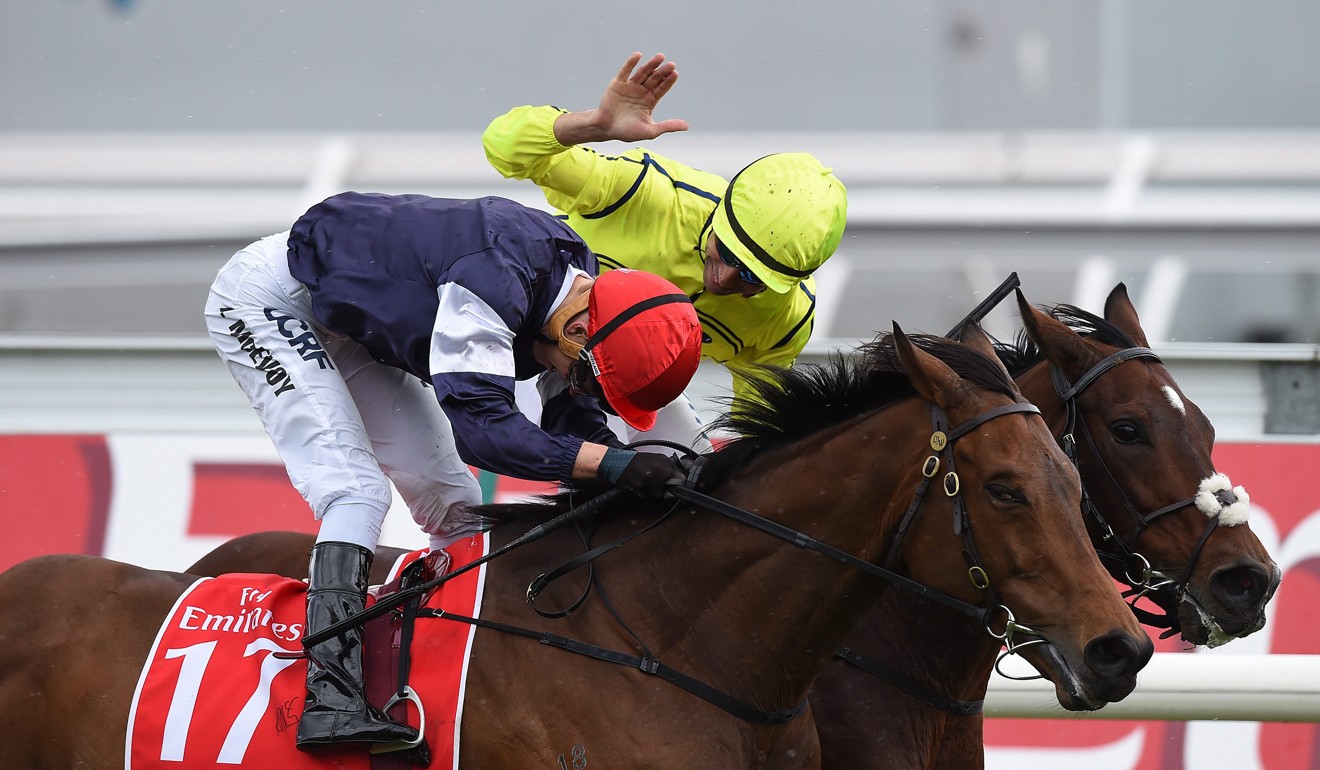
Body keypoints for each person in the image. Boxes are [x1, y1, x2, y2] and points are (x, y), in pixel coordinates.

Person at [203, 191, 702, 753]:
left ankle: (450, 671)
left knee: (456, 505)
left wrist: (630, 471)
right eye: (587, 377)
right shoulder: (494, 281)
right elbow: (483, 431)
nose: (579, 385)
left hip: (350, 317)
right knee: (357, 493)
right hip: (271, 300)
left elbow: (572, 421)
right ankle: (330, 695)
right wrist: (615, 464)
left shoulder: (583, 298)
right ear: (580, 331)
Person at [483, 51, 848, 451]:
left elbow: (756, 432)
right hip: (517, 342)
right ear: (719, 212)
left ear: (788, 285)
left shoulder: (785, 320)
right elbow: (502, 146)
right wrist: (595, 125)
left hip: (621, 387)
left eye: (751, 277)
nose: (723, 278)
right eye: (725, 250)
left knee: (699, 478)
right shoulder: (647, 194)